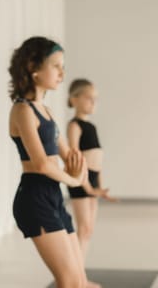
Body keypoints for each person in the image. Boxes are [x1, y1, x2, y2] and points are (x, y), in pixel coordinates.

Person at [8, 36, 94, 288]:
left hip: (53, 195)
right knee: (69, 282)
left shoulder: (45, 110)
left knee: (78, 281)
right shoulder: (22, 110)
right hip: (33, 198)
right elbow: (42, 164)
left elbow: (67, 153)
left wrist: (81, 167)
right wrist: (73, 178)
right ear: (34, 68)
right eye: (56, 66)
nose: (62, 72)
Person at [66, 79, 116, 269]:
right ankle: (76, 275)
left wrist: (99, 188)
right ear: (74, 99)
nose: (93, 102)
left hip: (91, 181)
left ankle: (79, 272)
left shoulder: (92, 127)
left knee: (88, 231)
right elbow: (75, 157)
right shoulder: (74, 126)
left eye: (95, 99)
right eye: (88, 98)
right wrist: (86, 186)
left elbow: (97, 161)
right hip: (80, 180)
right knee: (83, 228)